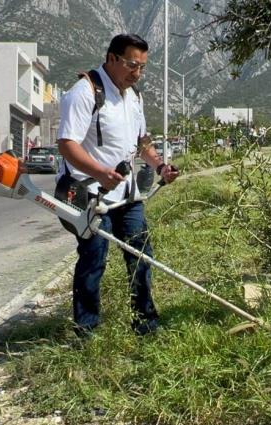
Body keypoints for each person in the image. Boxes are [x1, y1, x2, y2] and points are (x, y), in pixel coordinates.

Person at [56, 34, 179, 336]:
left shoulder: (134, 96)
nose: (137, 73)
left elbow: (142, 142)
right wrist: (99, 172)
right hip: (90, 193)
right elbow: (67, 144)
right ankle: (86, 331)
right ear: (112, 58)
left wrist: (160, 165)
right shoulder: (85, 91)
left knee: (141, 255)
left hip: (126, 194)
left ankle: (145, 323)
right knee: (94, 258)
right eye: (131, 64)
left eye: (142, 67)